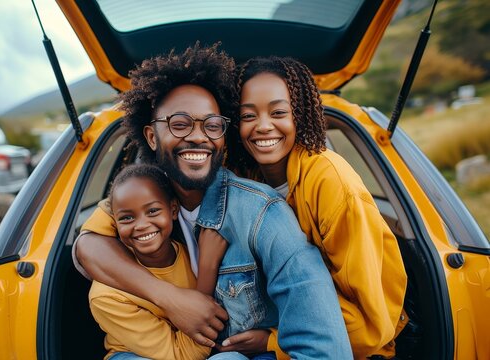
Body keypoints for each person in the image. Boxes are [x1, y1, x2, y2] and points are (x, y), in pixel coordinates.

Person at [74, 43, 352, 359]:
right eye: (179, 124)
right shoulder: (138, 201)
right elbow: (87, 246)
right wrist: (171, 298)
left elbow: (324, 348)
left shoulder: (261, 213)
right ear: (152, 137)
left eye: (212, 125)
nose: (198, 136)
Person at [223, 56, 408, 359]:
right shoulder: (245, 179)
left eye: (279, 112)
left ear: (300, 114)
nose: (263, 126)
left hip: (352, 347)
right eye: (248, 116)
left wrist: (272, 341)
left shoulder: (332, 183)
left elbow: (373, 325)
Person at [89, 164, 211, 360]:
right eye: (127, 218)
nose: (142, 225)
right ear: (114, 222)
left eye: (153, 211)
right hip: (130, 354)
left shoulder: (193, 255)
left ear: (173, 210)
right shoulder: (106, 295)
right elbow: (178, 352)